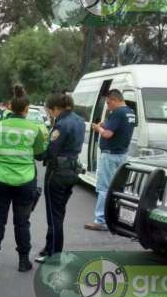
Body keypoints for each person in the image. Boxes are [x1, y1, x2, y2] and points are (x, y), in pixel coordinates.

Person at [0, 86, 48, 273]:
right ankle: (24, 261)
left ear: (10, 108)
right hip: (25, 182)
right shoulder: (34, 129)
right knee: (22, 222)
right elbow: (41, 155)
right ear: (26, 109)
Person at [35, 93, 85, 263]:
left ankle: (54, 254)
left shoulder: (62, 124)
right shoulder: (78, 120)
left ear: (56, 108)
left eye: (50, 111)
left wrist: (37, 153)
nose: (50, 114)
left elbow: (50, 152)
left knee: (53, 216)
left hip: (57, 172)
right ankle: (49, 247)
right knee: (59, 213)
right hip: (71, 170)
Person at [85, 89, 136, 231]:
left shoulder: (118, 112)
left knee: (104, 188)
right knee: (117, 188)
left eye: (108, 103)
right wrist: (105, 124)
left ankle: (100, 220)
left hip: (110, 154)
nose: (108, 106)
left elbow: (107, 134)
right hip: (122, 154)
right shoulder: (130, 113)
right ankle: (114, 218)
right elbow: (118, 128)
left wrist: (98, 129)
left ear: (114, 100)